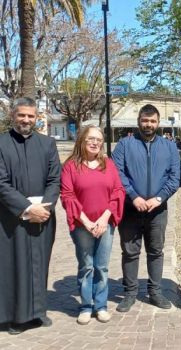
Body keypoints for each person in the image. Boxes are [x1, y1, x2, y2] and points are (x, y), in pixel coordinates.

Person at [0, 97, 61, 334]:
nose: (26, 120)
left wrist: (44, 208)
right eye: (21, 115)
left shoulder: (47, 144)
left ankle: (37, 312)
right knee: (14, 265)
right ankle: (16, 317)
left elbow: (54, 179)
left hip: (42, 217)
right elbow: (1, 183)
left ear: (37, 117)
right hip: (11, 218)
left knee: (39, 263)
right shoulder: (2, 143)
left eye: (30, 116)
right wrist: (26, 208)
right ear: (13, 115)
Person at [112, 104, 181, 312]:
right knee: (130, 252)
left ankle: (155, 292)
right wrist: (133, 196)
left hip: (157, 210)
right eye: (145, 120)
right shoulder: (124, 145)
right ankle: (130, 293)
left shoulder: (169, 147)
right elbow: (117, 173)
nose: (148, 124)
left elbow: (174, 177)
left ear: (158, 123)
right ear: (138, 121)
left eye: (152, 121)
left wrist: (159, 198)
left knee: (156, 251)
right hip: (130, 208)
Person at [60, 126, 125, 325]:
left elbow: (118, 191)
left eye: (98, 139)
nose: (95, 142)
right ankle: (86, 306)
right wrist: (86, 222)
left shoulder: (108, 164)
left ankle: (101, 305)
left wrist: (105, 218)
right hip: (82, 226)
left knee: (102, 267)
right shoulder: (71, 166)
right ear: (82, 140)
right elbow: (67, 196)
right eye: (90, 139)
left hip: (105, 224)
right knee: (86, 266)